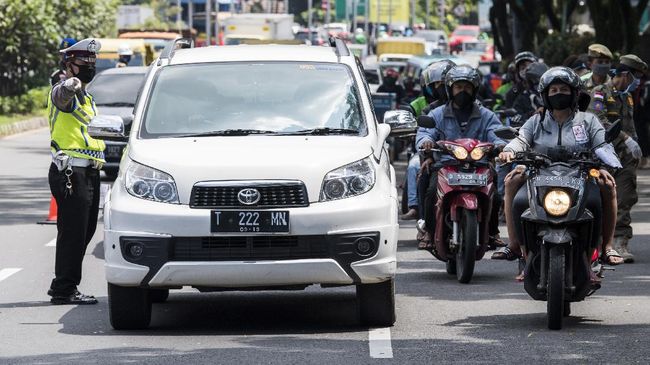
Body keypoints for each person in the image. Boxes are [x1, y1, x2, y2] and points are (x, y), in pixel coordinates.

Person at [493, 66, 623, 267]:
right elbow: (520, 139)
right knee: (512, 182)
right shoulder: (536, 121)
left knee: (607, 185)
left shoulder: (588, 120)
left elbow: (602, 144)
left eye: (563, 89)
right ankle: (517, 246)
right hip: (539, 171)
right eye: (553, 91)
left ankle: (606, 247)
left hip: (581, 173)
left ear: (574, 93)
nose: (558, 94)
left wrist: (609, 160)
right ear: (545, 95)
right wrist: (509, 151)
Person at [415, 65, 506, 250]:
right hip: (446, 166)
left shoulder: (486, 115)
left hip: (479, 166)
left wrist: (501, 146)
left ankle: (492, 231)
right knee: (431, 191)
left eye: (467, 87)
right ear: (450, 89)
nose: (462, 91)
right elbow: (425, 132)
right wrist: (426, 141)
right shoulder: (437, 113)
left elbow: (496, 134)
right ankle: (429, 232)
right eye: (458, 87)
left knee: (495, 196)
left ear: (474, 90)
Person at [47, 38, 105, 305]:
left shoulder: (88, 97)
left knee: (86, 230)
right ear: (69, 66)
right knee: (73, 232)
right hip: (71, 173)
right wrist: (69, 85)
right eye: (84, 64)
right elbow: (61, 97)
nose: (89, 68)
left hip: (89, 173)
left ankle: (63, 282)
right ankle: (64, 289)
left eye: (93, 63)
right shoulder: (64, 90)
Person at [586, 54, 648, 263]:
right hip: (604, 156)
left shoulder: (626, 96)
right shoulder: (600, 93)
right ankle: (598, 243)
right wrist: (626, 138)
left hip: (625, 157)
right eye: (635, 77)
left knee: (626, 198)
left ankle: (620, 243)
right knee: (600, 199)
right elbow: (598, 120)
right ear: (624, 74)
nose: (636, 82)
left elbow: (630, 124)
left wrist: (635, 145)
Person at [401, 60, 455, 221]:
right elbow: (425, 133)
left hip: (465, 156)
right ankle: (417, 210)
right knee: (415, 167)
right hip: (436, 155)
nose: (442, 88)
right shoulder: (430, 110)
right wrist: (427, 143)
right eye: (438, 84)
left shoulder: (477, 109)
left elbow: (489, 129)